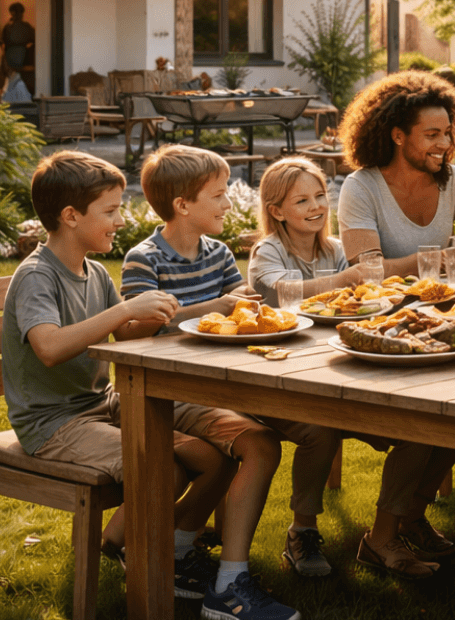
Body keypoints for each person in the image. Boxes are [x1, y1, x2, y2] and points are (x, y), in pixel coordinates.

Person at [1, 151, 295, 620]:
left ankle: (172, 553)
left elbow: (128, 335)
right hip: (55, 422)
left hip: (106, 401)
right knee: (164, 467)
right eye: (111, 211)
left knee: (217, 455)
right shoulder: (38, 275)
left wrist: (191, 310)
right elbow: (50, 348)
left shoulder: (93, 271)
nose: (122, 220)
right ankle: (147, 573)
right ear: (70, 216)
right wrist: (124, 309)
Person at [113, 146, 302, 619]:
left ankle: (175, 552)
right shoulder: (145, 259)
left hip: (214, 388)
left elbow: (238, 309)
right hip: (159, 392)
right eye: (217, 196)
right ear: (183, 205)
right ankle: (229, 588)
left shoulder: (217, 253)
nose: (227, 205)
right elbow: (133, 332)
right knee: (260, 445)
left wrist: (251, 310)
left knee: (297, 430)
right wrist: (208, 309)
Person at [247, 156, 452, 579]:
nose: (316, 206)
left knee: (424, 421)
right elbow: (278, 292)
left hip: (339, 371)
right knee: (318, 431)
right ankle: (301, 531)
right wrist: (347, 281)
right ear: (276, 211)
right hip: (281, 379)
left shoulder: (335, 250)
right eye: (301, 200)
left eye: (320, 195)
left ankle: (388, 531)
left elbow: (363, 303)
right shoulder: (267, 250)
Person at [335, 70, 455, 567]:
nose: (445, 144)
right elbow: (364, 274)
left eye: (448, 132)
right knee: (427, 413)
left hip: (442, 325)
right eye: (432, 134)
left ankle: (410, 514)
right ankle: (382, 537)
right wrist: (434, 260)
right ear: (397, 135)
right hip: (377, 330)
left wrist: (442, 265)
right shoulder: (361, 187)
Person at [1, 2, 36, 96]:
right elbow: (36, 39)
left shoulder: (8, 27)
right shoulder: (24, 27)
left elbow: (3, 43)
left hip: (14, 61)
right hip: (22, 62)